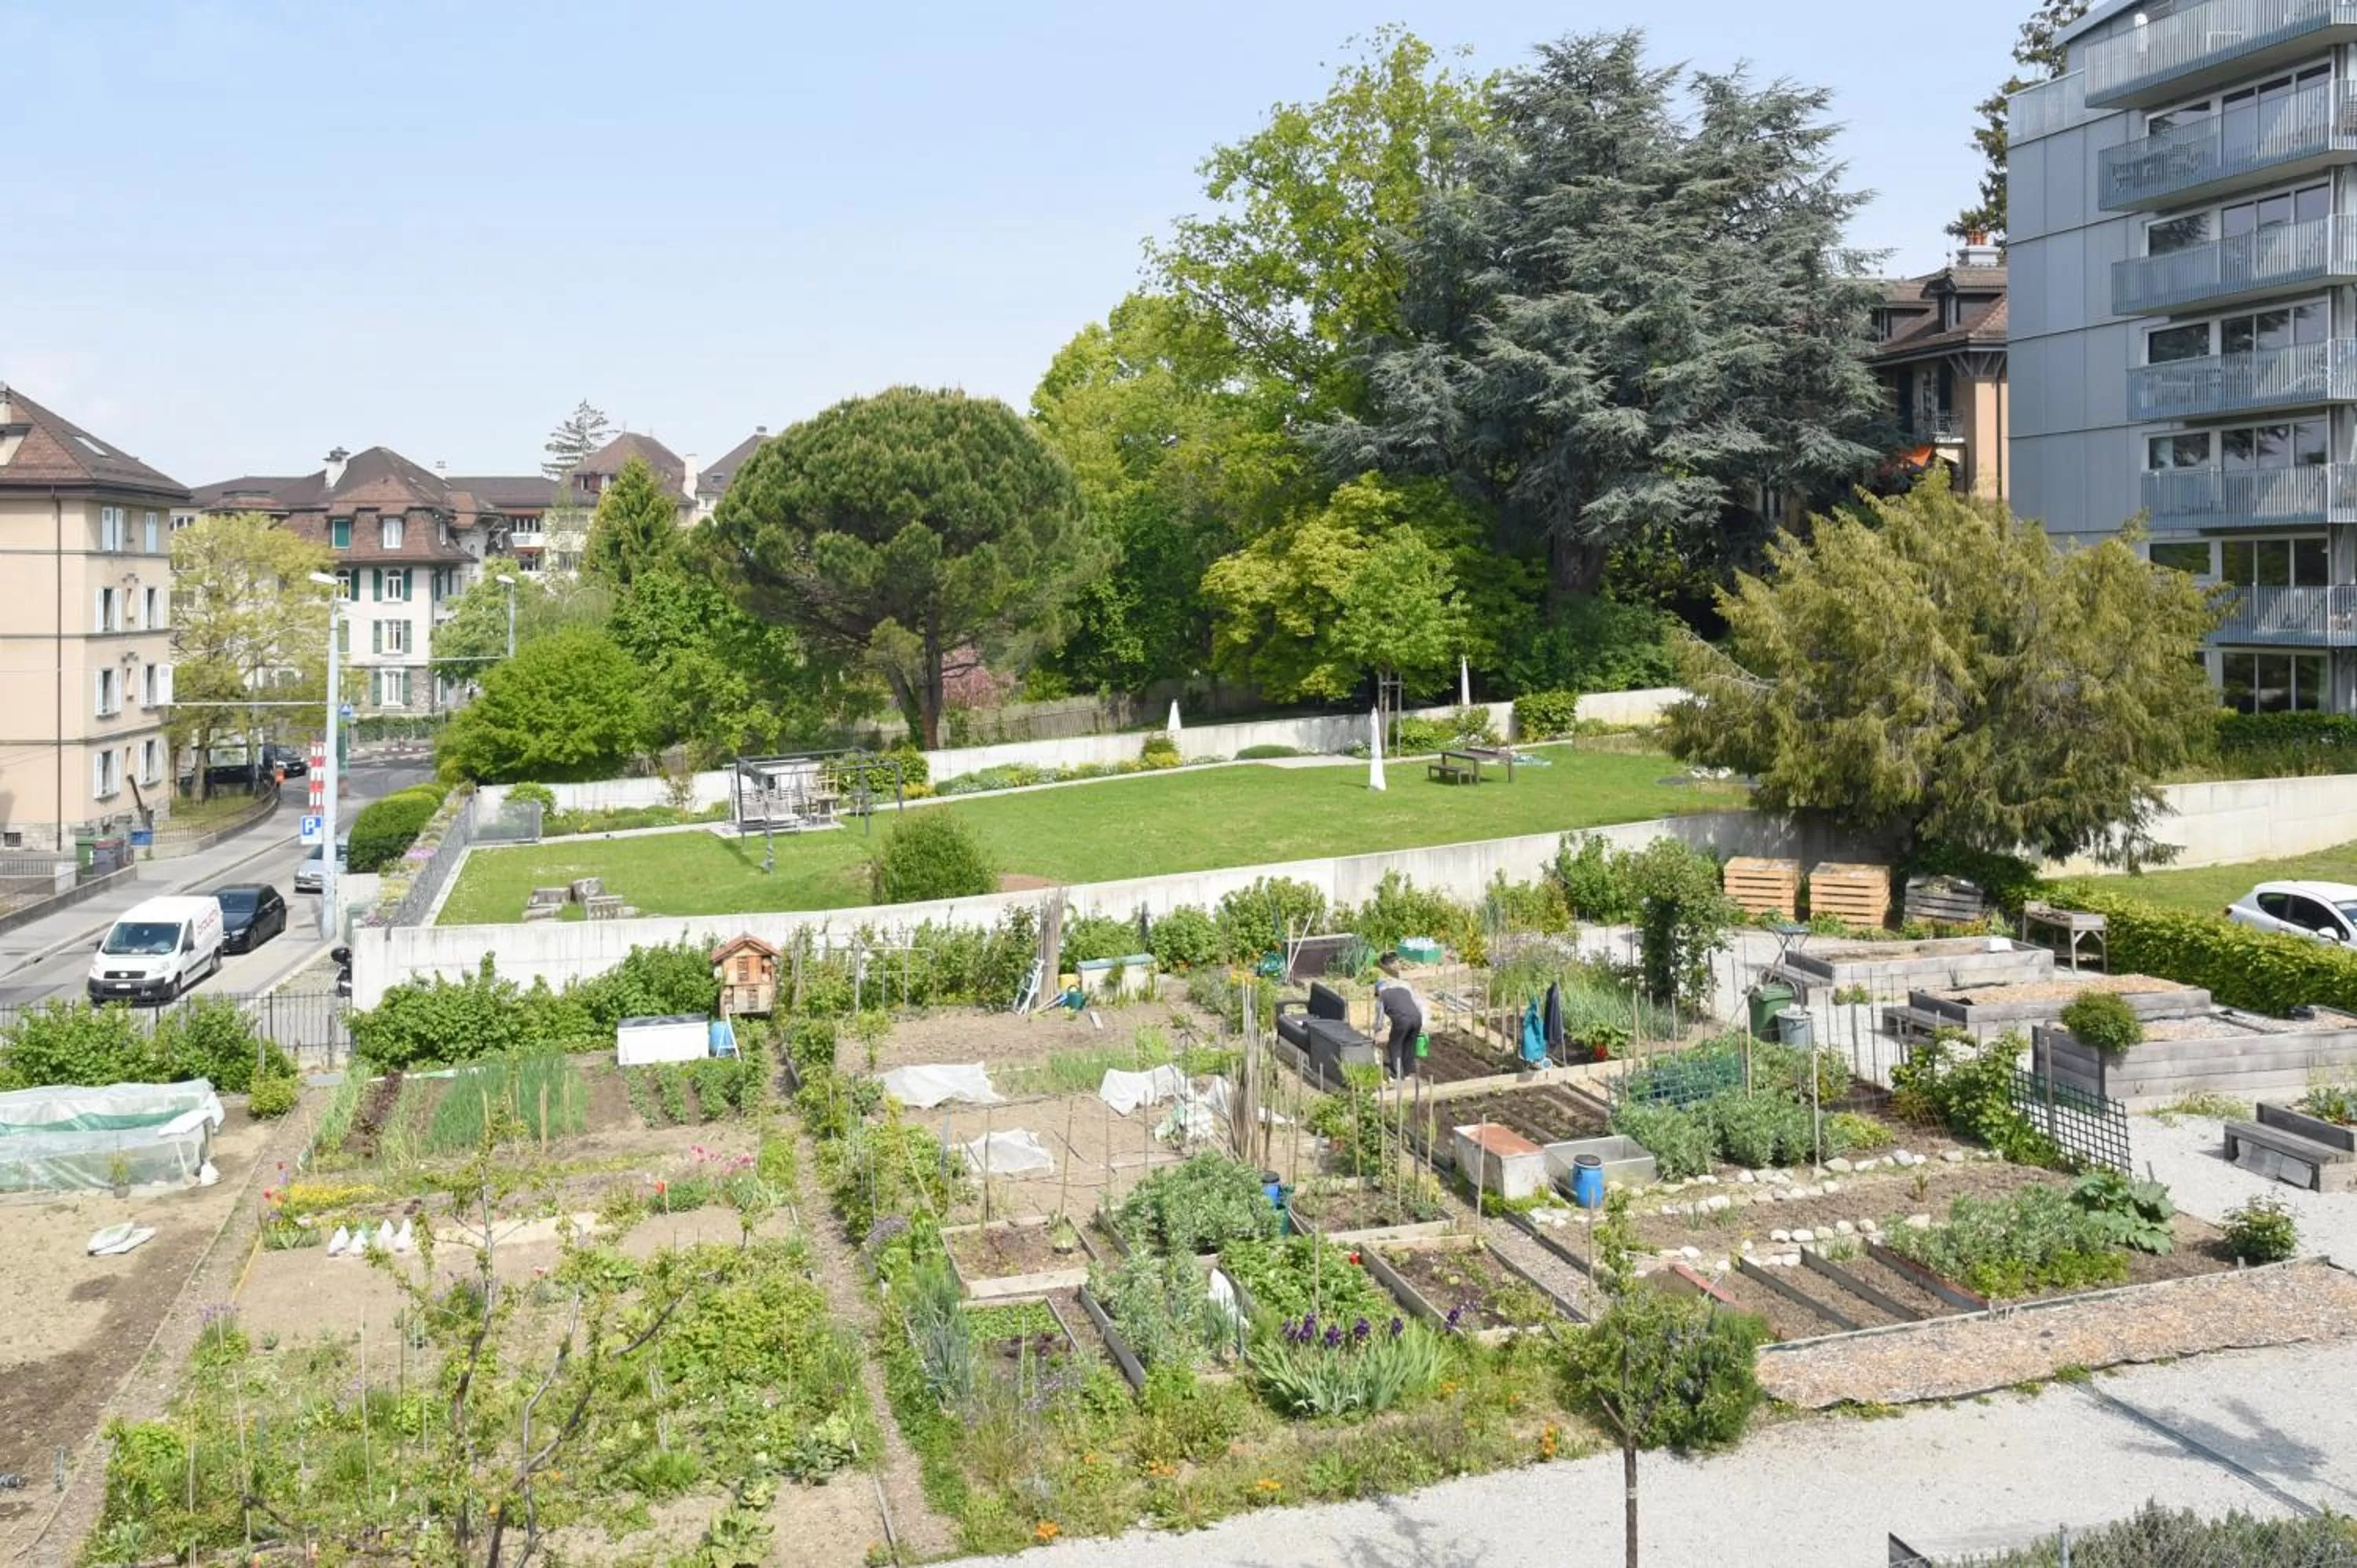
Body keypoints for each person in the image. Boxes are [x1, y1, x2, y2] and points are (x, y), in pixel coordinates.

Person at [1373, 955, 1424, 1080]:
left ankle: (1397, 1074)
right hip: (1417, 1017)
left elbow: (1379, 1018)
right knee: (1409, 1044)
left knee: (1394, 1044)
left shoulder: (1382, 995)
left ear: (1377, 990)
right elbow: (1417, 1004)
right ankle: (1407, 1072)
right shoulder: (1404, 987)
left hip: (1402, 1020)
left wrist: (1377, 1031)